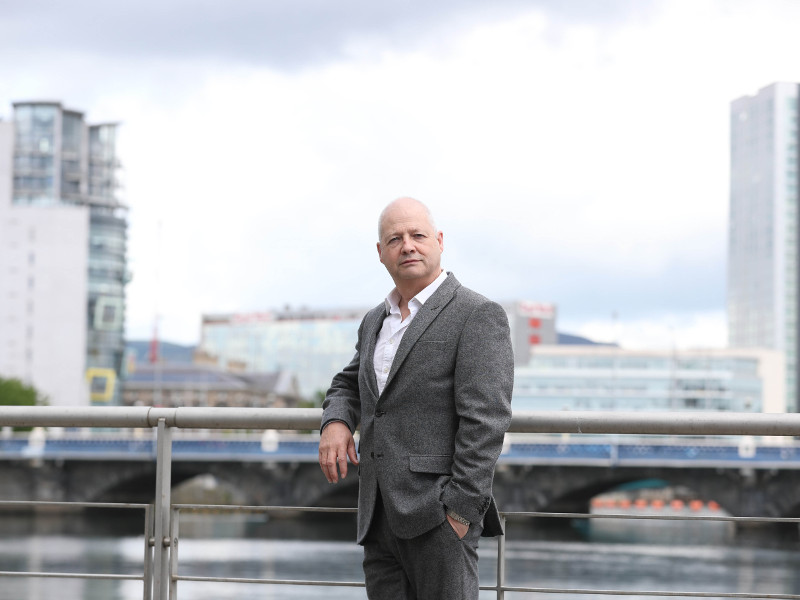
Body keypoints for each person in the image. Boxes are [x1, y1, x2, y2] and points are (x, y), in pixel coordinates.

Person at [318, 197, 514, 599]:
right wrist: (336, 421)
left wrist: (459, 512)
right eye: (394, 239)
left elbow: (487, 420)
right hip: (378, 516)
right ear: (380, 253)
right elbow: (348, 383)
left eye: (417, 235)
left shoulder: (477, 313)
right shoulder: (376, 319)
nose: (407, 245)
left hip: (438, 517)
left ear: (439, 241)